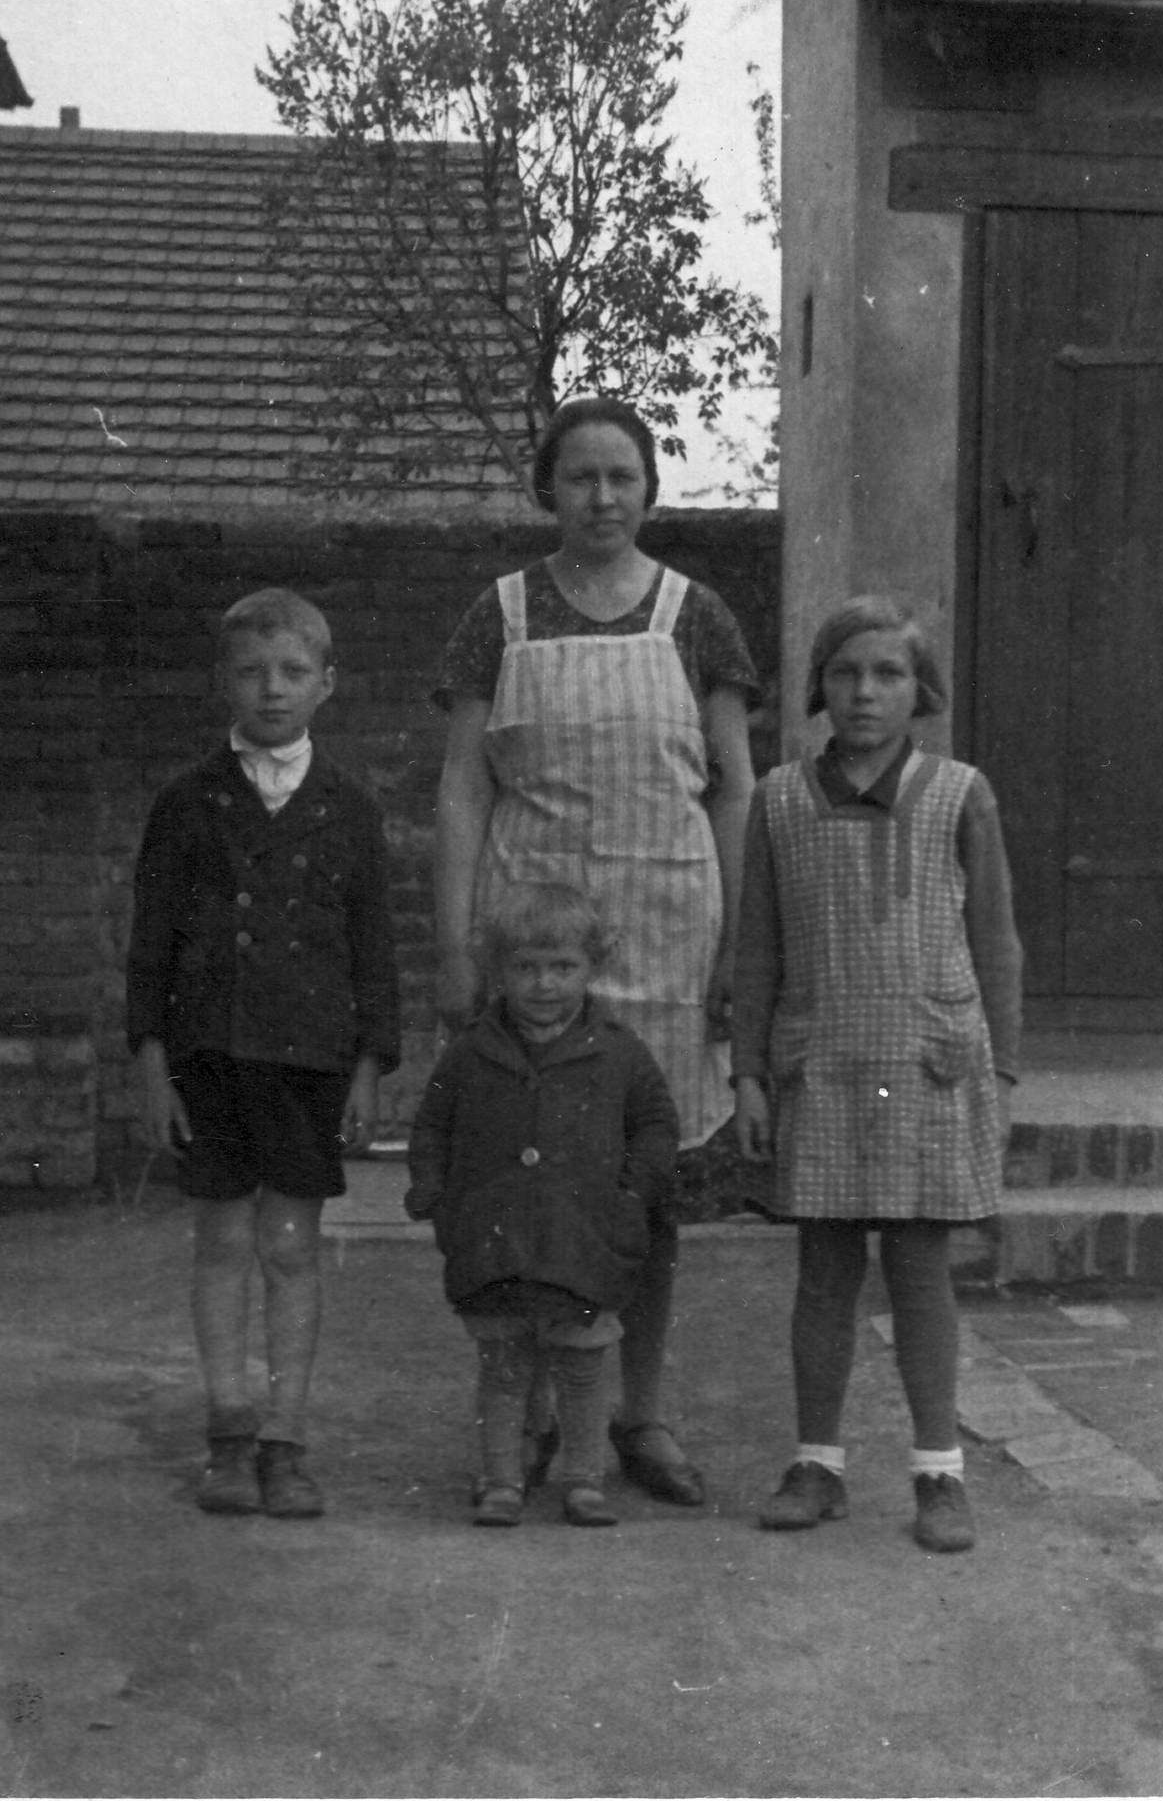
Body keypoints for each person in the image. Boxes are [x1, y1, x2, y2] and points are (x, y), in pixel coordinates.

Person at [433, 396, 758, 1505]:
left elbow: (734, 788)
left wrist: (736, 949)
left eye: (623, 476)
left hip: (669, 942)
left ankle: (639, 1413)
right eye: (581, 477)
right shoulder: (499, 615)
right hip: (534, 948)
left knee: (641, 1191)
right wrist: (456, 948)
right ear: (549, 489)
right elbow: (462, 787)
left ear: (649, 488)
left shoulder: (696, 615)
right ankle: (533, 1414)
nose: (603, 497)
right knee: (532, 1181)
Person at [732, 595, 1022, 1554]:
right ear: (819, 685)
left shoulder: (959, 793)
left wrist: (1001, 1073)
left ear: (918, 690)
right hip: (820, 1064)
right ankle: (817, 1464)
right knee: (823, 1273)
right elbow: (757, 951)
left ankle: (939, 1473)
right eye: (845, 673)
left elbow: (996, 943)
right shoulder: (779, 799)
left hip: (927, 1066)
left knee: (918, 1268)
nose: (864, 692)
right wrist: (748, 1073)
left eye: (887, 674)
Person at [127, 588, 400, 1519]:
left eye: (292, 672)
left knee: (291, 1247)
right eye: (251, 672)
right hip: (209, 1055)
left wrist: (369, 1065)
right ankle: (228, 1433)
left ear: (328, 683)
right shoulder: (186, 802)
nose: (272, 690)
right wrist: (150, 1062)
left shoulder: (350, 809)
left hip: (308, 1062)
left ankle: (285, 1439)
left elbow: (373, 949)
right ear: (222, 683)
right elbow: (150, 946)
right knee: (221, 1244)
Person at [406, 882, 679, 1527]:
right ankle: (501, 1480)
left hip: (583, 1241)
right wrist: (438, 1200)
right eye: (526, 967)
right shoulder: (470, 1052)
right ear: (498, 969)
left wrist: (630, 1196)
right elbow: (433, 1127)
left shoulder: (618, 1051)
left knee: (582, 1364)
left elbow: (656, 1125)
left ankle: (584, 1480)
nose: (544, 984)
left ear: (593, 967)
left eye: (563, 967)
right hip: (494, 1240)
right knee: (503, 1367)